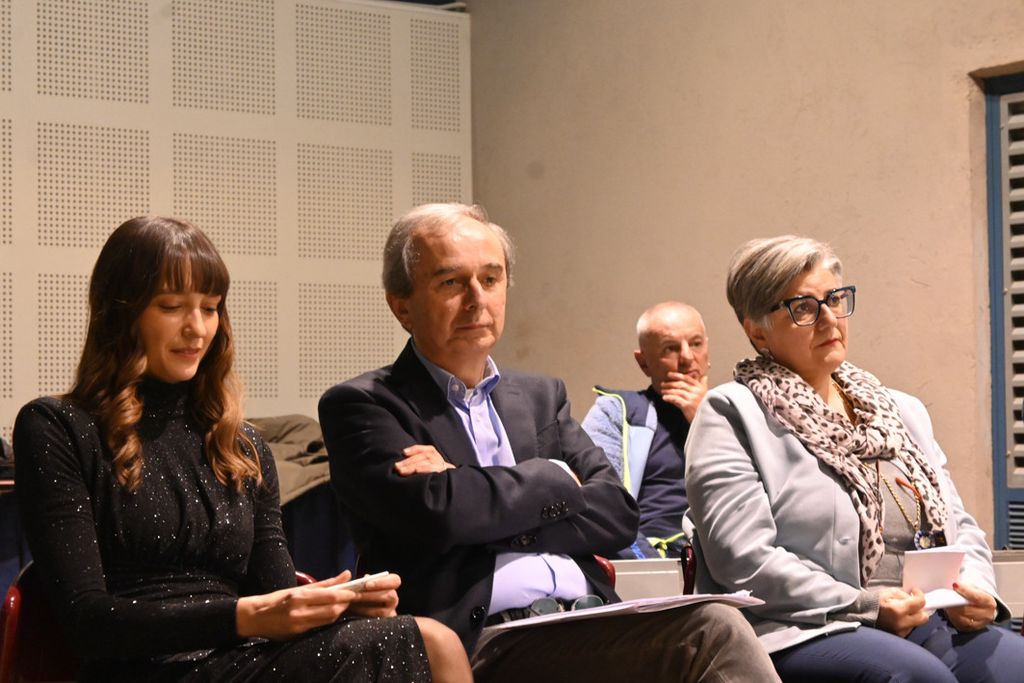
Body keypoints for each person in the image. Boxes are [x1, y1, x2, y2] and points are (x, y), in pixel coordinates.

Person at [319, 203, 781, 682]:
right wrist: (556, 479)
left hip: (592, 618)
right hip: (479, 642)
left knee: (715, 622)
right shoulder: (363, 405)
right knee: (712, 631)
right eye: (451, 282)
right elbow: (439, 515)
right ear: (402, 306)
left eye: (491, 279)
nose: (477, 299)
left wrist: (473, 491)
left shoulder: (541, 396)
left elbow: (617, 514)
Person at [14, 216, 471, 683]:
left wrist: (337, 605)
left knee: (425, 639)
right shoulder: (56, 427)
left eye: (210, 308)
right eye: (172, 307)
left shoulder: (242, 446)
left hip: (243, 657)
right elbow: (86, 622)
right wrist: (245, 617)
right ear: (121, 313)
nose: (197, 329)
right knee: (432, 643)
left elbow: (276, 593)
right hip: (139, 668)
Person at [684, 235, 1024, 682]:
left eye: (835, 299)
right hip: (803, 627)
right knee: (917, 677)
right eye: (803, 308)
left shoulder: (899, 409)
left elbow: (960, 524)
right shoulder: (731, 413)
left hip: (926, 617)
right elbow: (744, 561)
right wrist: (867, 605)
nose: (829, 318)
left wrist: (976, 589)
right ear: (757, 331)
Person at [582, 301, 709, 558]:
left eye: (696, 344)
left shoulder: (736, 414)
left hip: (719, 554)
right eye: (670, 348)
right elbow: (602, 503)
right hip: (649, 555)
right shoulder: (616, 411)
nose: (687, 358)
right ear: (644, 363)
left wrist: (706, 419)